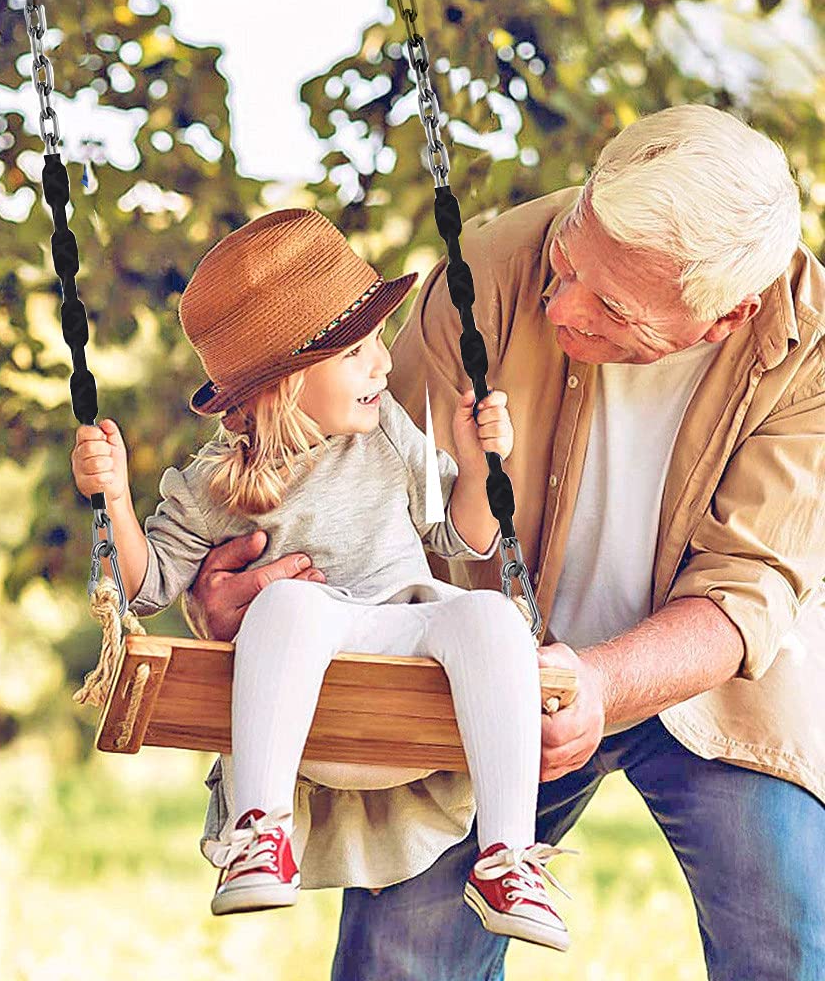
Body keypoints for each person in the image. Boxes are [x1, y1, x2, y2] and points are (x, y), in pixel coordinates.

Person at [182, 104, 825, 981]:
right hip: (478, 661)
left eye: (611, 307)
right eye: (567, 261)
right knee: (400, 962)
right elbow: (350, 479)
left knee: (787, 941)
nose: (560, 303)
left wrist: (600, 681)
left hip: (706, 675)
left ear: (725, 318)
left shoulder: (812, 349)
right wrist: (246, 586)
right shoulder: (484, 271)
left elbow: (747, 586)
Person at [71, 207, 583, 951]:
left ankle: (508, 857)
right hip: (312, 688)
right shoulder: (212, 485)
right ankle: (260, 832)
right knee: (289, 602)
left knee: (493, 617)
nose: (383, 365)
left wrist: (479, 467)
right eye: (357, 351)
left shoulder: (387, 433)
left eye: (379, 344)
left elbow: (464, 536)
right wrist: (115, 502)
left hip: (405, 641)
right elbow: (144, 587)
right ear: (285, 380)